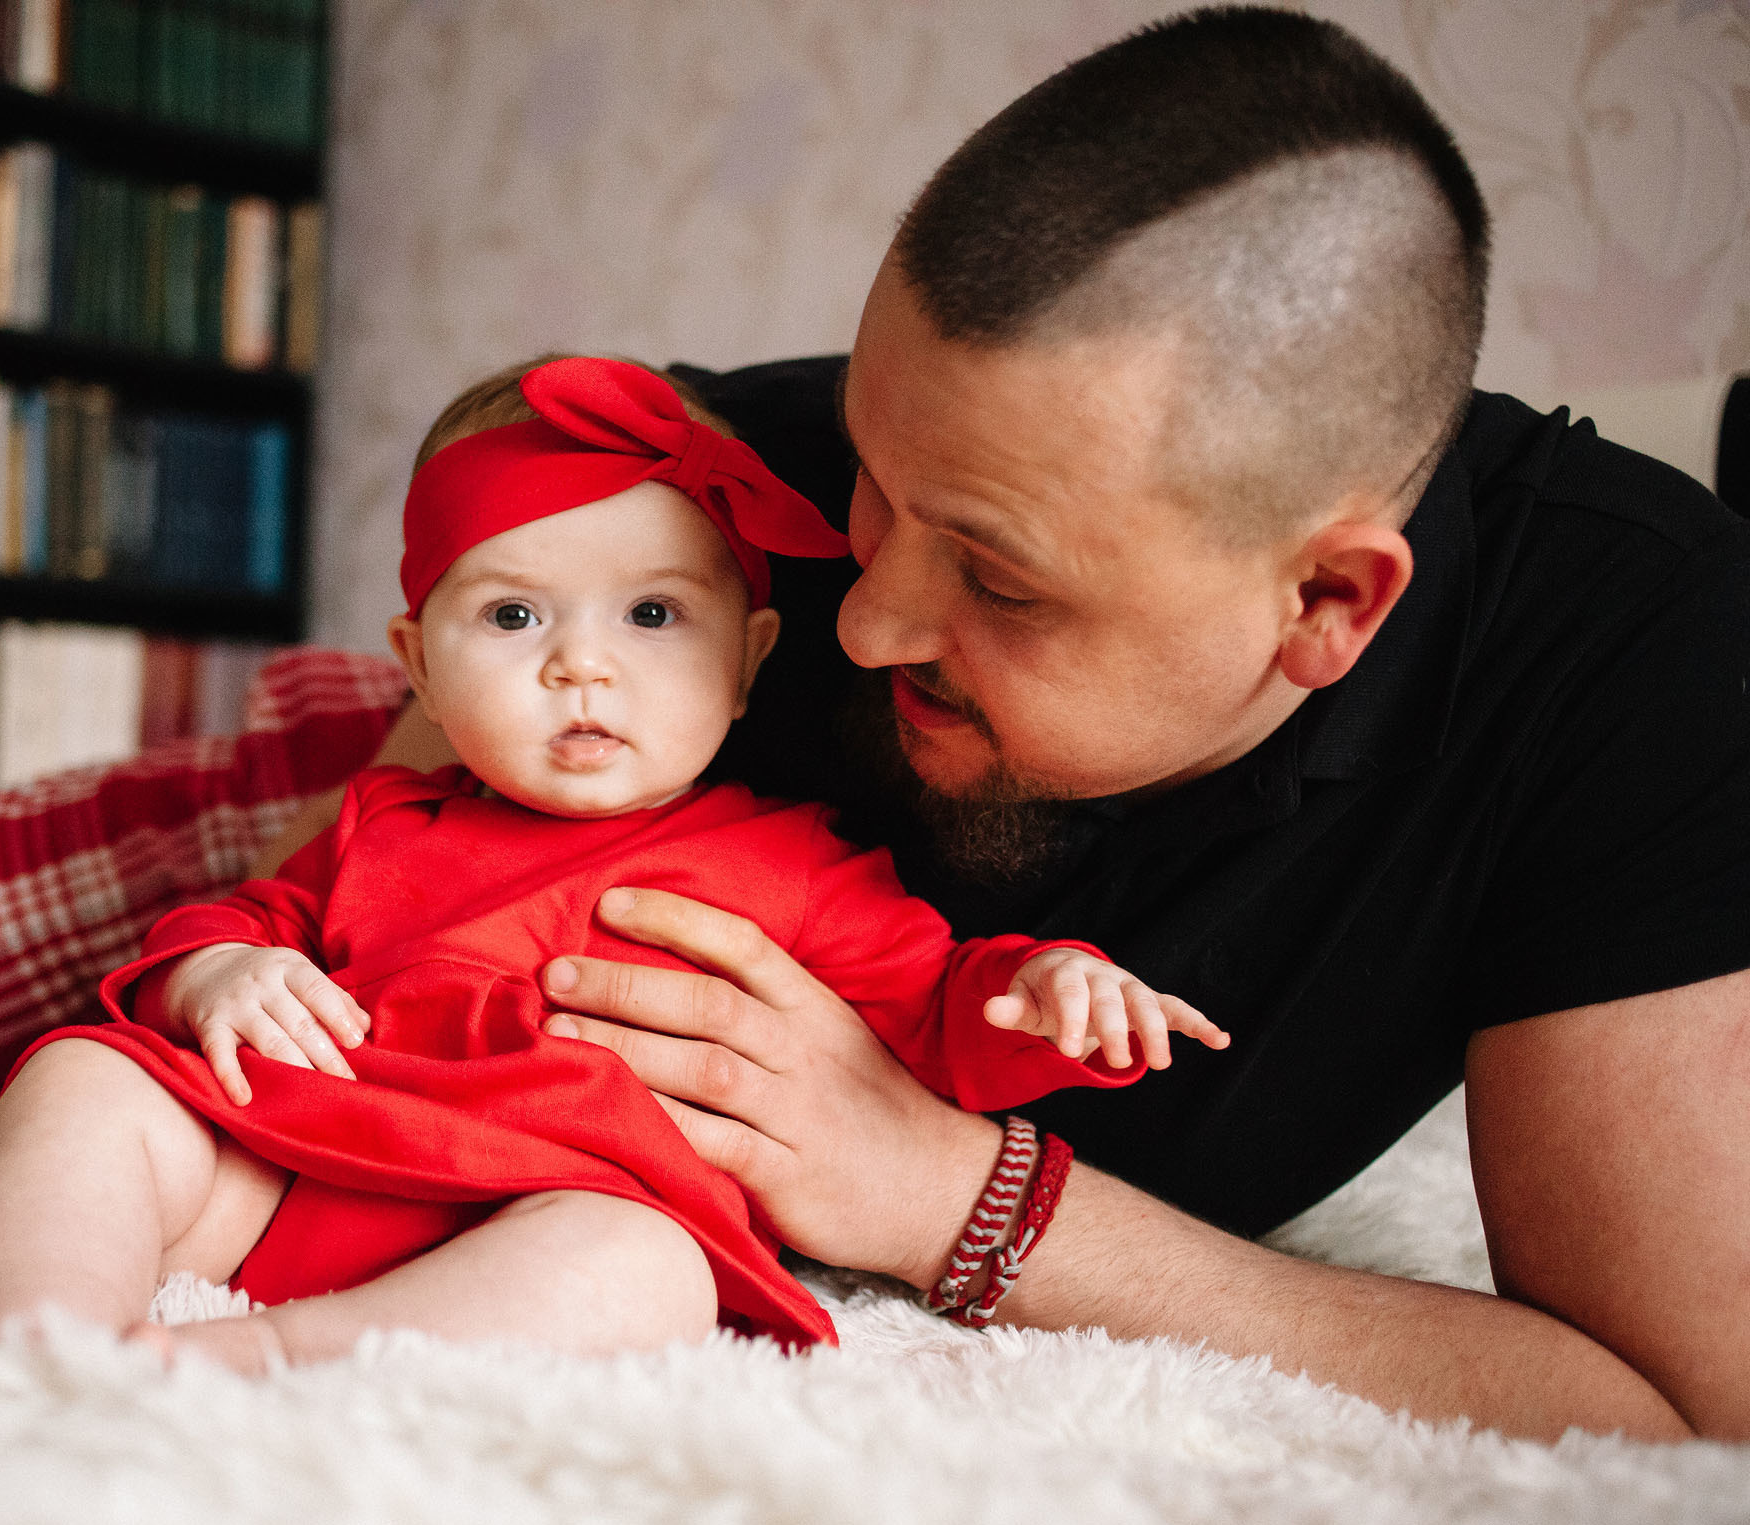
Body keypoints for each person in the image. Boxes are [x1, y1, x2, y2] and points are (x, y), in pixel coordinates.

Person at [257, 9, 1740, 1441]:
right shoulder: (696, 511)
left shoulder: (1633, 652)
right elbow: (326, 926)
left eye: (997, 579)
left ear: (1329, 604)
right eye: (872, 484)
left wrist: (955, 1198)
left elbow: (1679, 1404)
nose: (859, 619)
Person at [0, 357, 1225, 1371]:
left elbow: (940, 1013)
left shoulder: (800, 867)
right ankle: (36, 1343)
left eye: (653, 614)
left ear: (749, 659)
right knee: (82, 1078)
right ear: (421, 670)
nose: (582, 664)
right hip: (300, 1168)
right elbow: (245, 919)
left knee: (648, 1271)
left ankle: (272, 1357)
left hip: (546, 1216)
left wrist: (1050, 992)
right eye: (513, 616)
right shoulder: (389, 821)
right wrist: (218, 972)